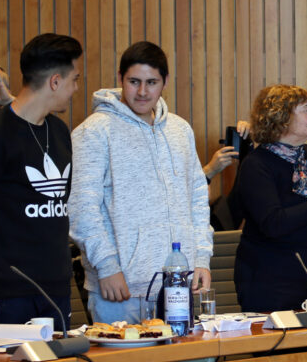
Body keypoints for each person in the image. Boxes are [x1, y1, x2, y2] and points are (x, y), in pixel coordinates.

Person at [69, 41, 213, 323]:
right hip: (120, 289)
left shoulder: (180, 129)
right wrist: (107, 266)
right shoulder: (94, 131)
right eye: (134, 82)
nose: (143, 92)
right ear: (120, 78)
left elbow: (197, 199)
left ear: (165, 82)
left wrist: (201, 260)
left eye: (152, 82)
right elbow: (82, 208)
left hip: (177, 286)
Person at [0, 34, 83, 335]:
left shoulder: (59, 131)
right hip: (6, 294)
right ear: (54, 82)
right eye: (73, 79)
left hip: (55, 290)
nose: (75, 88)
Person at [228, 85, 307, 312]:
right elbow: (273, 223)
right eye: (306, 110)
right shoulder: (257, 165)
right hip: (271, 283)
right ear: (282, 118)